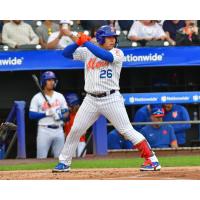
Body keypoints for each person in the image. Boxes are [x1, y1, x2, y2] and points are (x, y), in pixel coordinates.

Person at [52, 25, 161, 172]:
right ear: (100, 39)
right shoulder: (88, 52)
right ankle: (64, 162)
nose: (113, 40)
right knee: (76, 129)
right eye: (109, 37)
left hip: (111, 98)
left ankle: (152, 160)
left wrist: (86, 42)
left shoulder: (117, 52)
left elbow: (106, 57)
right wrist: (78, 42)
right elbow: (65, 54)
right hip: (91, 99)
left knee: (126, 130)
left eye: (114, 37)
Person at [29, 71, 69, 159]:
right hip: (44, 130)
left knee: (60, 159)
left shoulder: (60, 96)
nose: (52, 82)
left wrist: (60, 116)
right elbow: (31, 115)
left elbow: (66, 112)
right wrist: (46, 114)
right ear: (44, 82)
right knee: (41, 158)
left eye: (53, 80)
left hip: (59, 130)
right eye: (49, 80)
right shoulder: (37, 97)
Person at [64, 92, 87, 157]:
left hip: (80, 142)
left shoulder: (82, 114)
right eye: (70, 106)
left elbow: (84, 132)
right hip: (69, 143)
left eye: (75, 105)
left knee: (80, 158)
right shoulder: (66, 115)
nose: (75, 107)